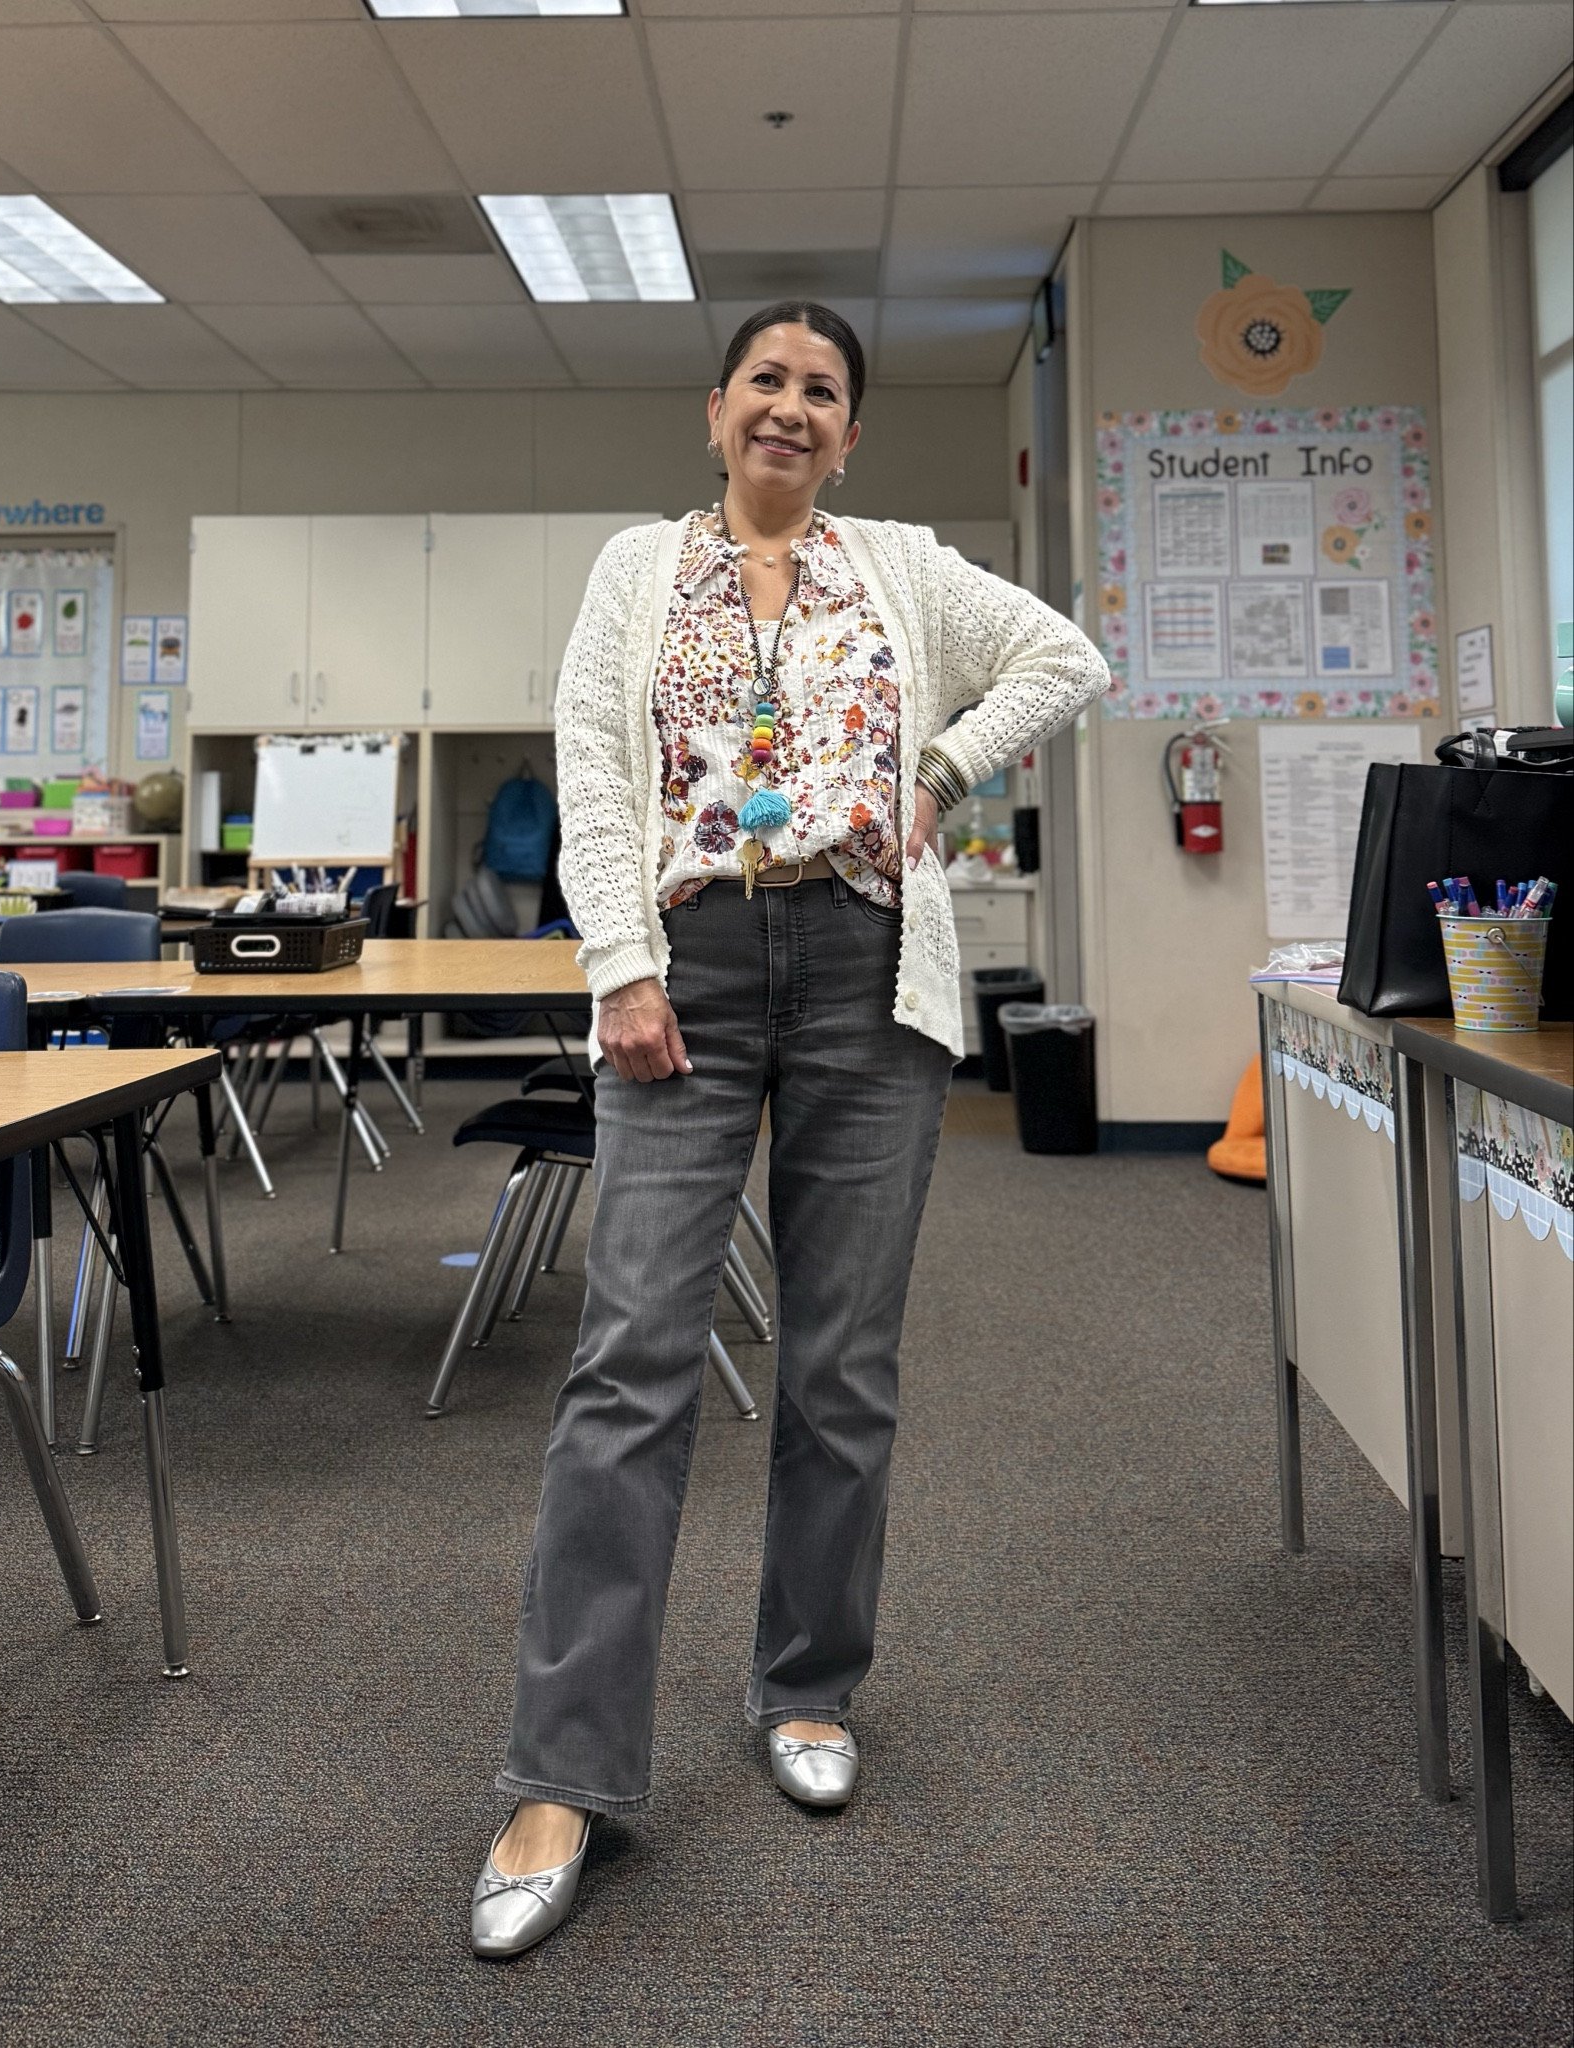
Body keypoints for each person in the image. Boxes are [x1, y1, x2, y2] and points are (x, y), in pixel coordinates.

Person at [470, 301, 1109, 1958]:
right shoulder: (639, 568)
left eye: (822, 391)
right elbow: (595, 778)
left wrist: (944, 770)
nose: (791, 407)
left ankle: (808, 1686)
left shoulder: (895, 562)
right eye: (767, 380)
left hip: (862, 963)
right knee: (630, 1364)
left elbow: (1068, 656)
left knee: (841, 1364)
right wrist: (619, 964)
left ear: (847, 431)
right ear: (717, 410)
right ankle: (563, 1773)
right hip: (684, 965)